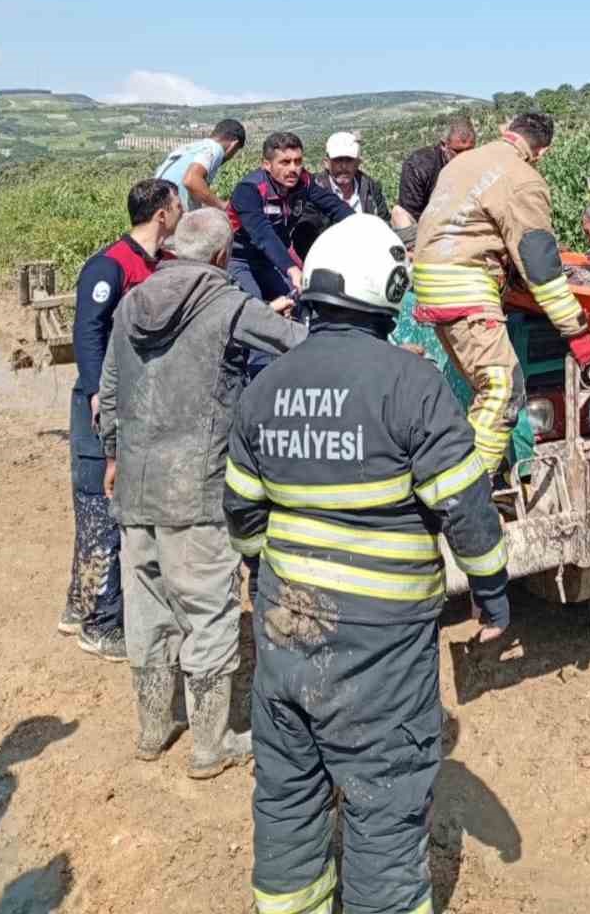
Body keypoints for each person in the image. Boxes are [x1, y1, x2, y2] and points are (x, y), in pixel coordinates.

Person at [224, 215, 509, 914]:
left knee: (287, 790)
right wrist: (492, 593)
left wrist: (275, 576)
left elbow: (241, 511)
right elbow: (465, 508)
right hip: (380, 647)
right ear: (389, 293)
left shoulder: (265, 388)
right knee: (384, 800)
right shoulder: (411, 385)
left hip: (287, 631)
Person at [98, 208, 306, 776]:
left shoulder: (131, 303)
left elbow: (110, 392)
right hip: (197, 487)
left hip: (136, 489)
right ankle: (210, 745)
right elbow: (300, 345)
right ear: (221, 256)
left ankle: (151, 729)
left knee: (147, 609)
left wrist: (113, 456)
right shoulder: (227, 303)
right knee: (209, 612)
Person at [412, 111, 590, 475]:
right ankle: (470, 492)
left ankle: (478, 473)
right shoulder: (523, 179)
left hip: (432, 285)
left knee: (485, 393)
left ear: (506, 131)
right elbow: (541, 266)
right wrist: (576, 331)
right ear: (542, 151)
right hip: (464, 288)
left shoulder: (465, 162)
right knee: (502, 389)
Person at [62, 178, 182, 660]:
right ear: (160, 215)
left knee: (114, 509)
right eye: (177, 207)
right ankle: (101, 622)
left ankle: (79, 605)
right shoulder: (109, 266)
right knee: (100, 510)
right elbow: (86, 332)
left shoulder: (164, 264)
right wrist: (95, 393)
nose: (179, 214)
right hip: (102, 404)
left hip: (140, 403)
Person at [226, 130, 352, 303]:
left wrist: (363, 224)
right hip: (240, 258)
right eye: (285, 162)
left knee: (302, 299)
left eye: (298, 161)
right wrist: (292, 269)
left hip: (273, 258)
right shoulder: (250, 190)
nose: (293, 168)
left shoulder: (304, 182)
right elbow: (263, 234)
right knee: (253, 307)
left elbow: (333, 205)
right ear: (267, 165)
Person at [392, 113, 477, 226]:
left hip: (462, 222)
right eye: (458, 151)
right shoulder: (417, 166)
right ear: (443, 145)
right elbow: (412, 213)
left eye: (470, 151)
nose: (465, 157)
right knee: (399, 215)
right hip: (426, 226)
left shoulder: (478, 162)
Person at [156, 119, 247, 211]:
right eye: (235, 152)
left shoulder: (191, 147)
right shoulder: (215, 149)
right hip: (171, 211)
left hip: (156, 206)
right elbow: (191, 180)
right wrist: (222, 205)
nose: (232, 156)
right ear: (234, 144)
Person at [322, 129, 390, 220]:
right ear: (326, 163)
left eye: (349, 160)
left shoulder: (371, 188)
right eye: (338, 160)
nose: (344, 166)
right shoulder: (315, 190)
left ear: (358, 163)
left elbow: (384, 222)